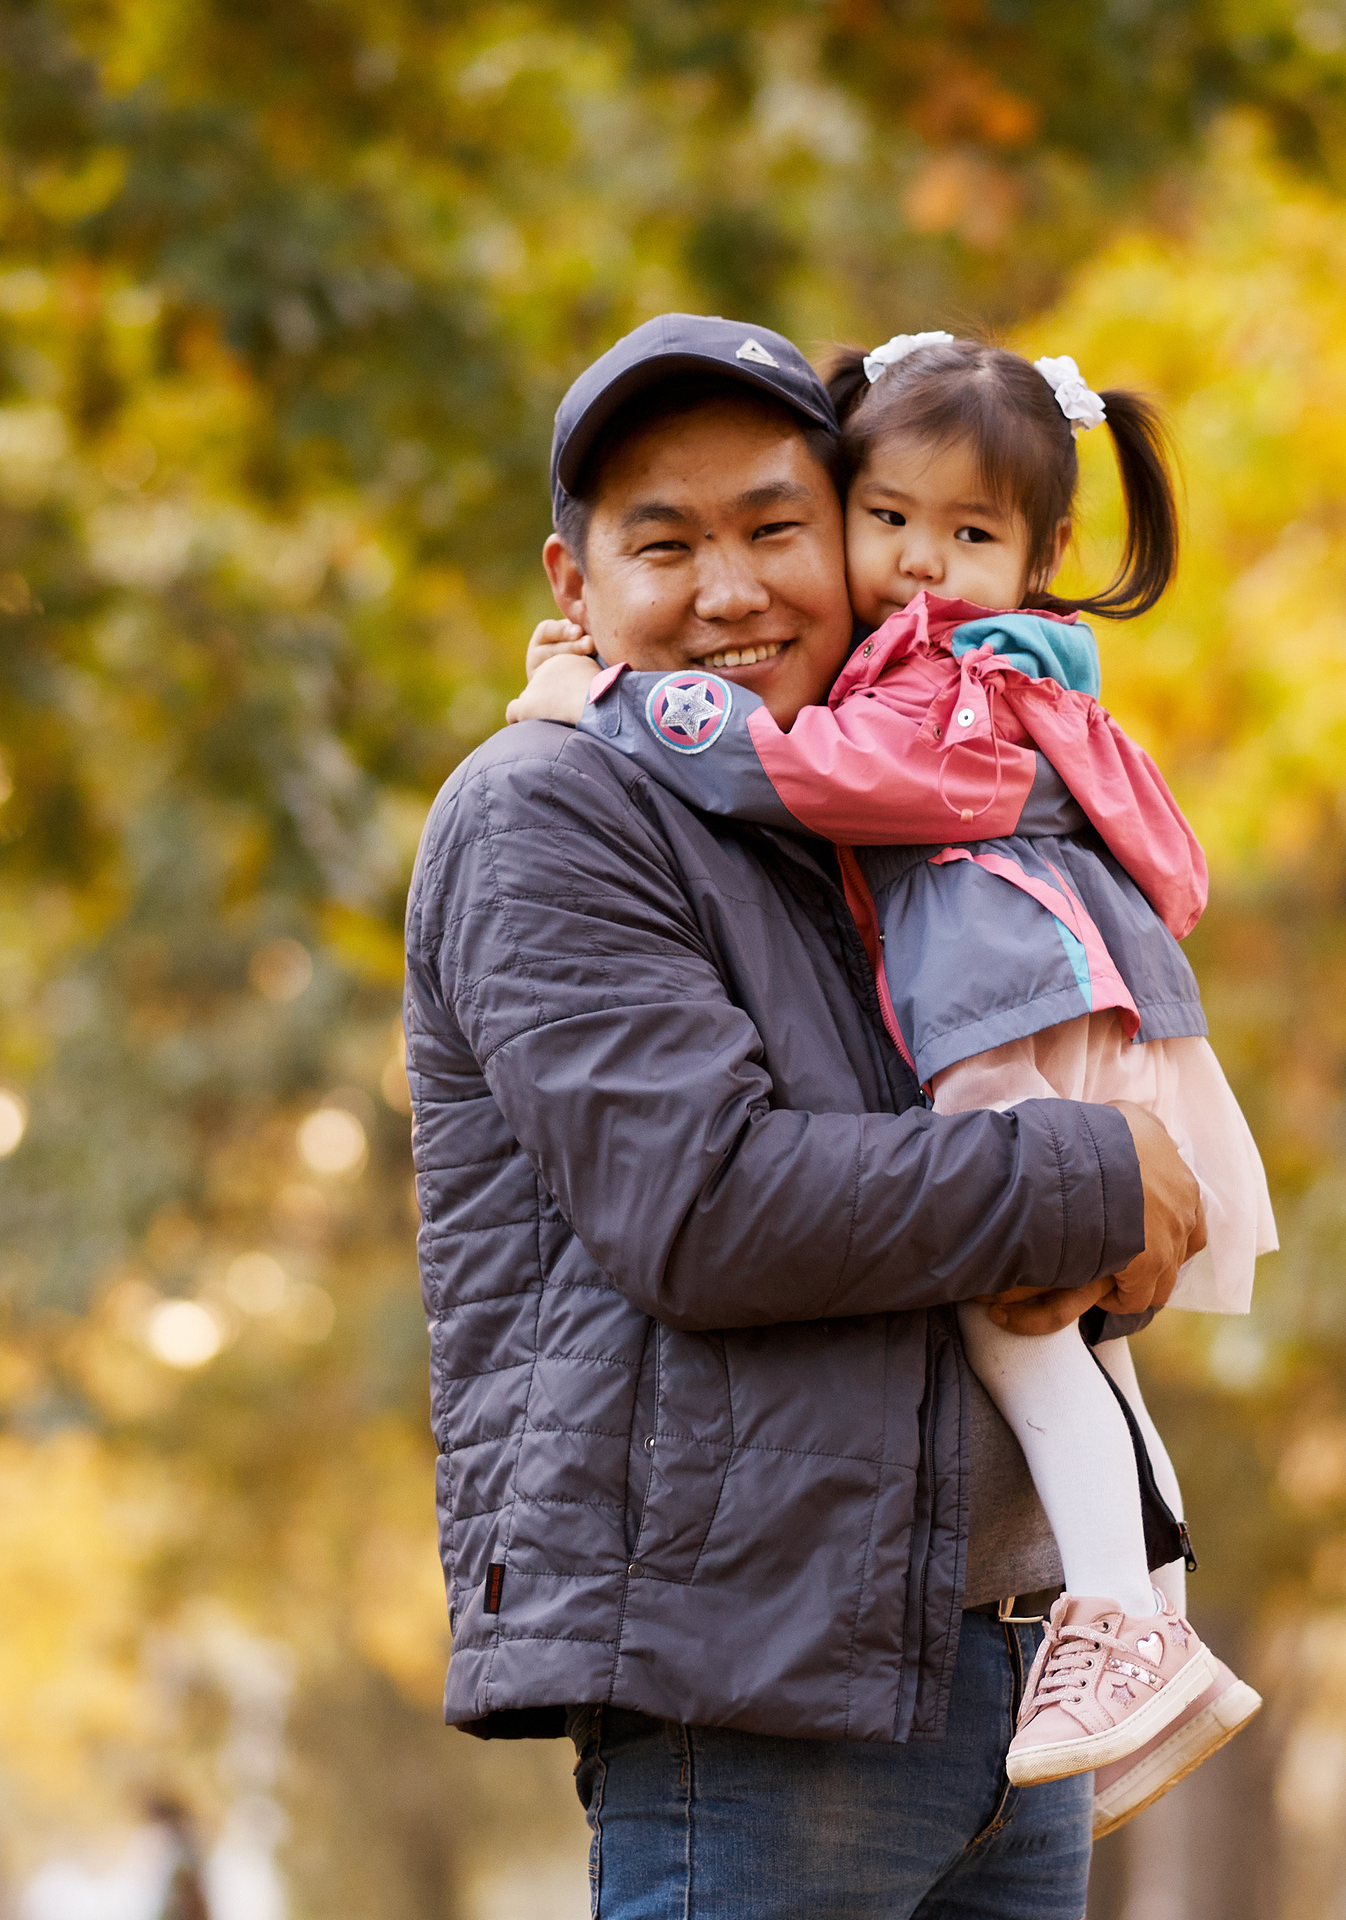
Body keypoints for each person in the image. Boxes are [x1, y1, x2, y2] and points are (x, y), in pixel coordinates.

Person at [403, 313, 1208, 1920]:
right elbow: (709, 1211)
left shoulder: (855, 805)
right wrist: (1090, 1172)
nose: (731, 589)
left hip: (992, 1673)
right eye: (664, 544)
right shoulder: (548, 811)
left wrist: (1117, 1200)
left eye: (777, 528)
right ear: (574, 587)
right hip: (753, 1701)